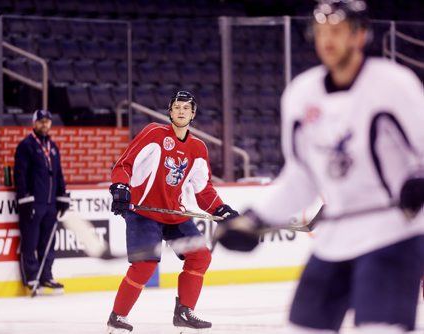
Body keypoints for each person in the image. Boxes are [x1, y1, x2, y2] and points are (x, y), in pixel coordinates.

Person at [216, 1, 424, 333]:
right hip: (334, 239)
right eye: (322, 32)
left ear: (361, 35)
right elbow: (300, 179)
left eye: (338, 32)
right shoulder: (300, 95)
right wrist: (256, 218)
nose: (328, 40)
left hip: (393, 233)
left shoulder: (394, 85)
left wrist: (418, 182)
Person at [106, 91, 239, 333]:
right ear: (170, 111)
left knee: (200, 256)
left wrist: (222, 210)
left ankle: (184, 312)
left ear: (193, 114)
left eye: (186, 108)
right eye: (177, 107)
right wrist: (120, 188)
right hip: (143, 211)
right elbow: (125, 164)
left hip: (173, 213)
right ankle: (118, 317)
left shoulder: (198, 148)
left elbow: (203, 189)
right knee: (144, 265)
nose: (181, 111)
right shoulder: (154, 133)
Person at [14, 109, 70, 294]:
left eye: (47, 121)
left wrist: (62, 197)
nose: (44, 124)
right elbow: (20, 174)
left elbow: (59, 174)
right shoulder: (26, 145)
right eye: (41, 121)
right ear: (34, 123)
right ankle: (31, 278)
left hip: (50, 204)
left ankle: (46, 276)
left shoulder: (52, 146)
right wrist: (25, 199)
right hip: (33, 203)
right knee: (30, 242)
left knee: (48, 242)